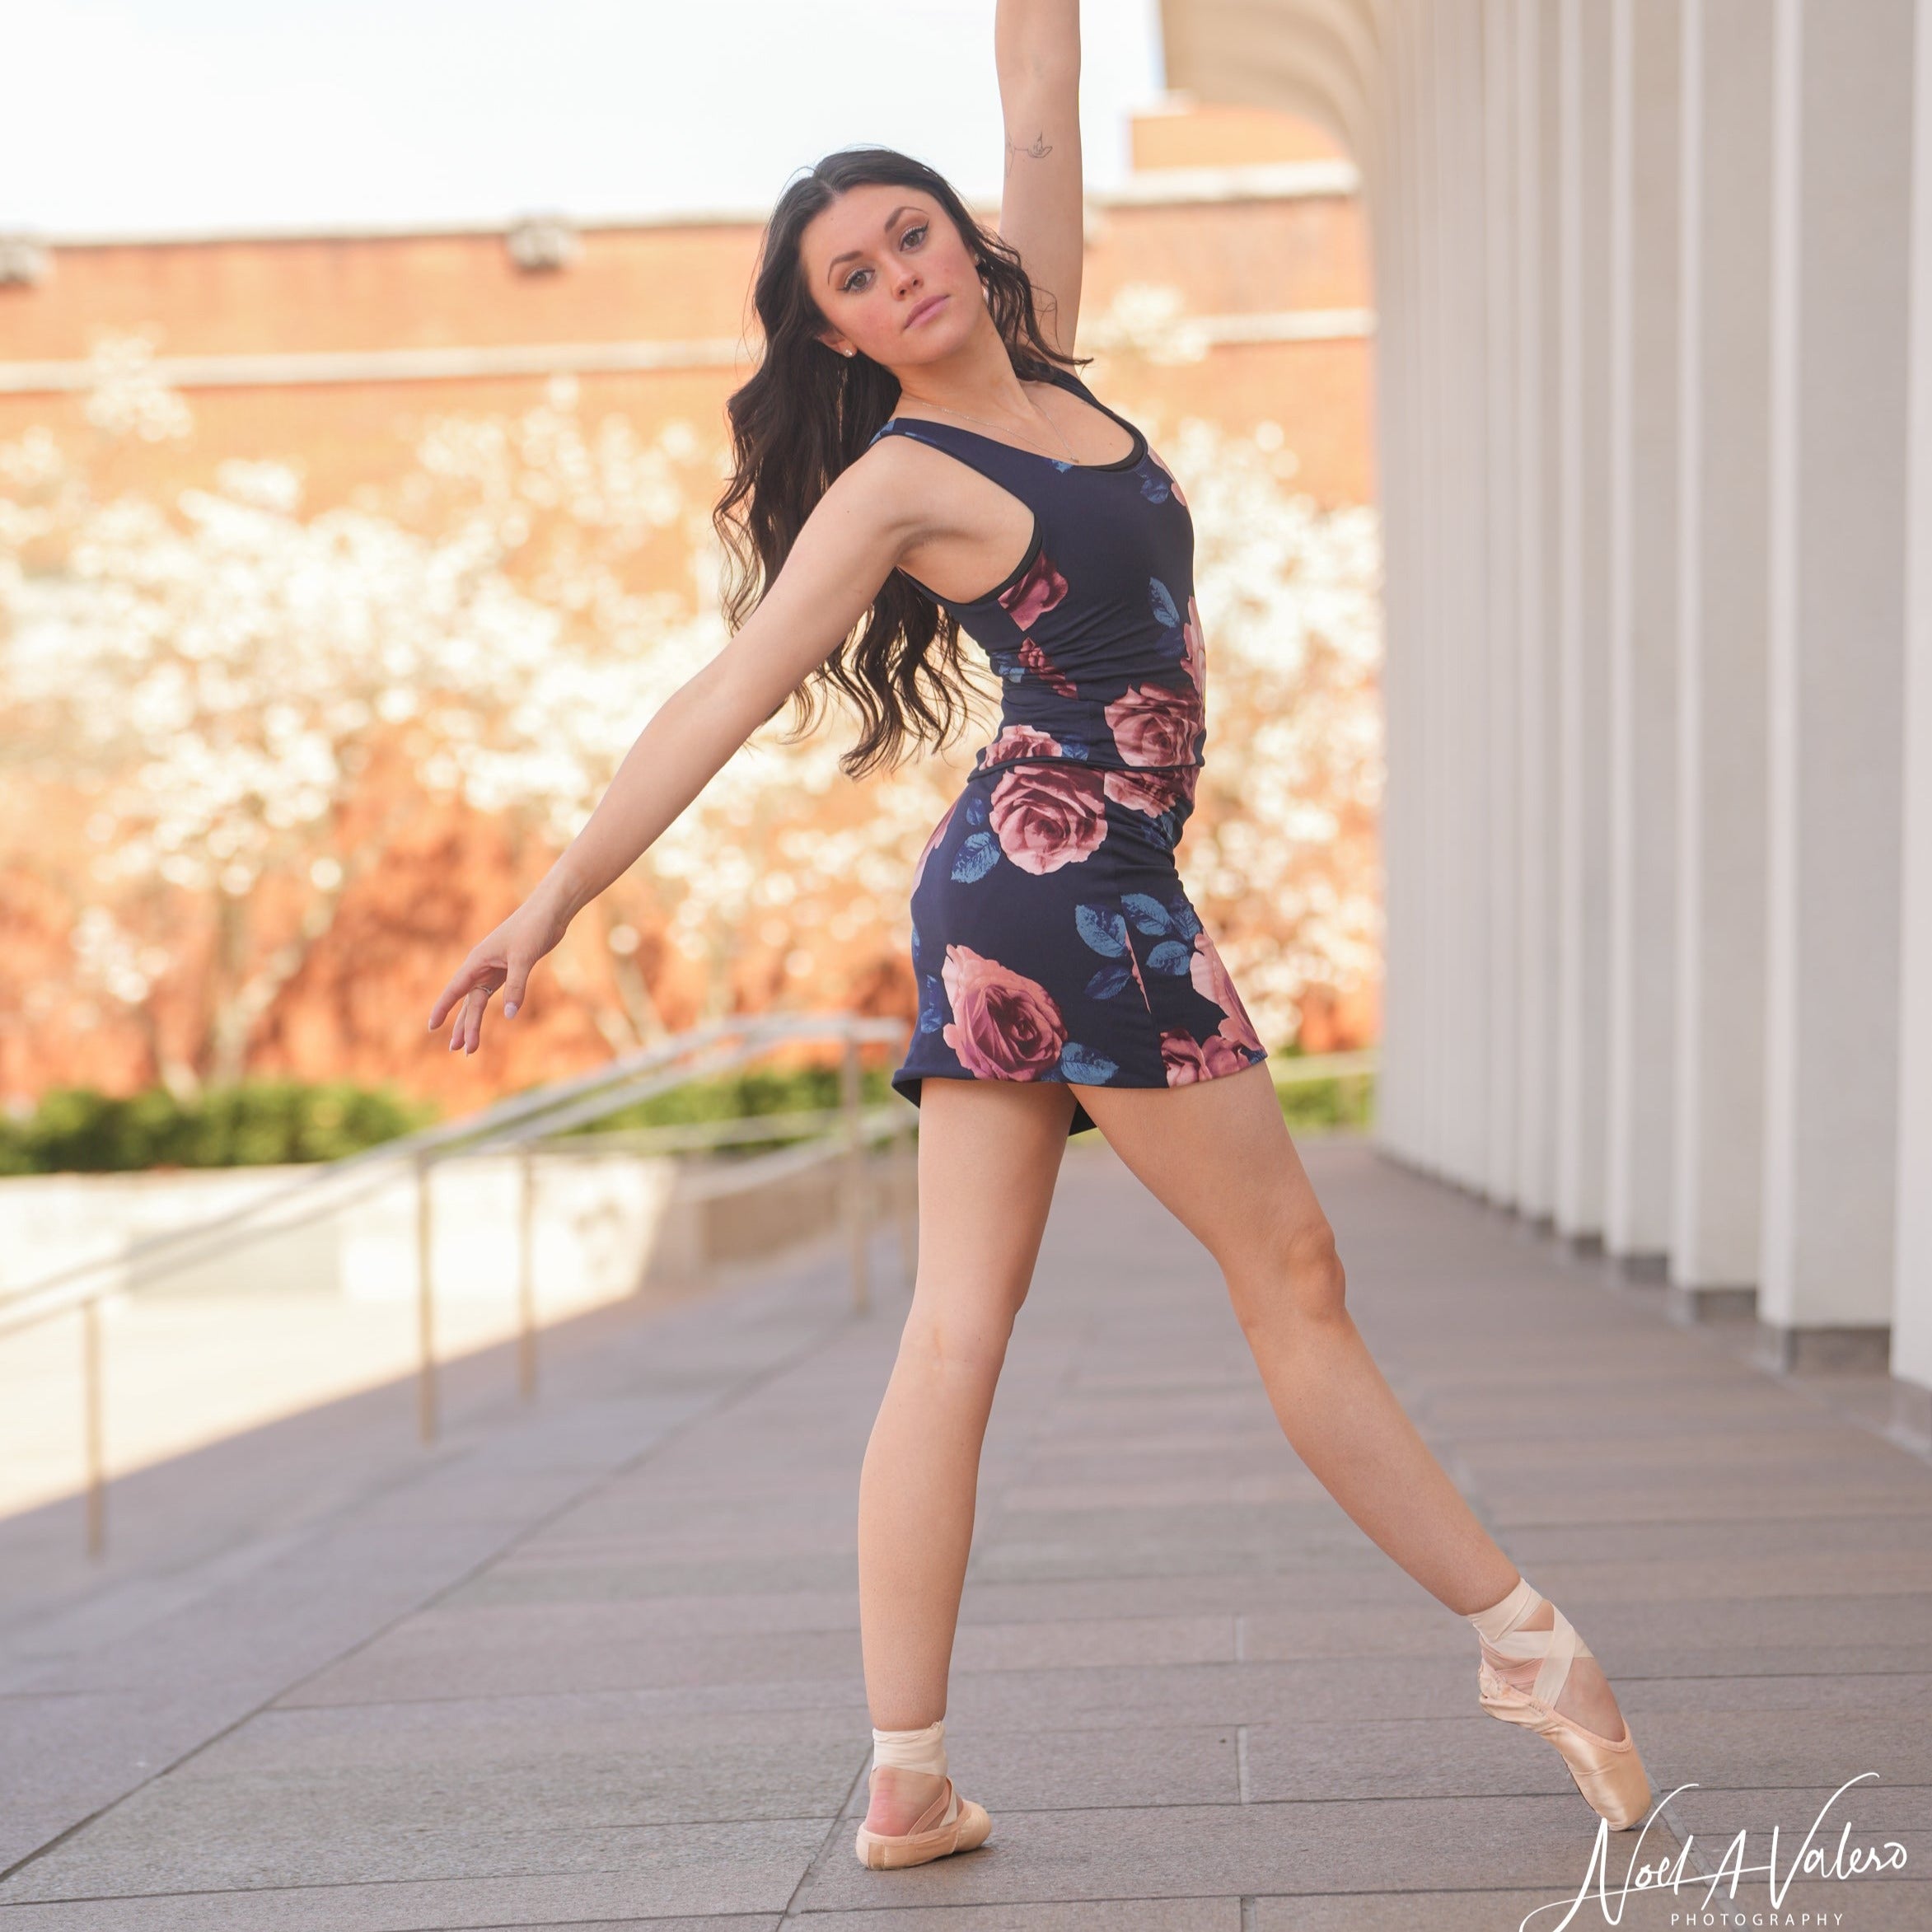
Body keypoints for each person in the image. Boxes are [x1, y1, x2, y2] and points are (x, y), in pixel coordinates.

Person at [428, 0, 1653, 1874]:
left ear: (964, 240)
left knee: (957, 1332)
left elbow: (1040, 83)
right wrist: (544, 906)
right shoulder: (904, 478)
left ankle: (908, 1777)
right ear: (833, 330)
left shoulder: (1048, 359)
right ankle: (1527, 1645)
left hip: (1035, 890)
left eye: (913, 230)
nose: (901, 272)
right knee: (1292, 1277)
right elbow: (728, 689)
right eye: (854, 272)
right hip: (1067, 891)